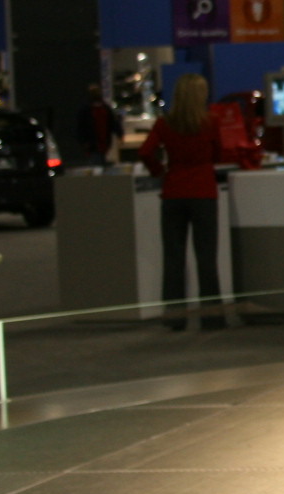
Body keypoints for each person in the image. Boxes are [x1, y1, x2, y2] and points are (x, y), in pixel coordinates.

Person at [138, 74, 224, 330]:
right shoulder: (211, 122)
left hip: (173, 193)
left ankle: (175, 319)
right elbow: (218, 154)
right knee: (206, 258)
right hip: (204, 193)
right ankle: (212, 317)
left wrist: (159, 170)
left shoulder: (165, 124)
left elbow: (145, 152)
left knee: (173, 258)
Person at [76, 82, 117, 167]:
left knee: (101, 160)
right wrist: (84, 141)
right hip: (93, 143)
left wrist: (119, 133)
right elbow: (81, 127)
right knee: (96, 162)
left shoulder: (104, 108)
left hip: (104, 141)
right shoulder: (86, 110)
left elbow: (112, 122)